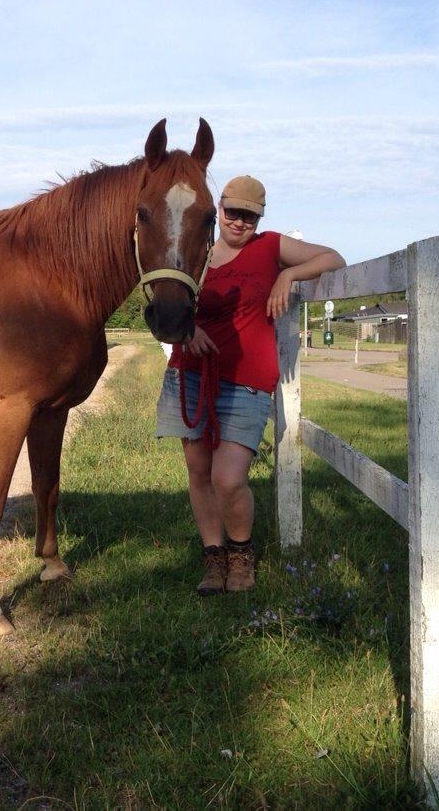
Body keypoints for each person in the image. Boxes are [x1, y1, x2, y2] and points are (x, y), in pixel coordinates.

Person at [155, 175, 345, 595]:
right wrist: (186, 332)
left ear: (260, 219)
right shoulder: (195, 249)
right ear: (218, 209)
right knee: (199, 472)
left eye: (249, 216)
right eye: (232, 212)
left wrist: (288, 275)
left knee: (228, 477)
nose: (239, 223)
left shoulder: (270, 247)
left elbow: (334, 258)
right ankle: (214, 560)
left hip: (246, 381)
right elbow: (162, 302)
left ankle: (241, 554)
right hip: (191, 373)